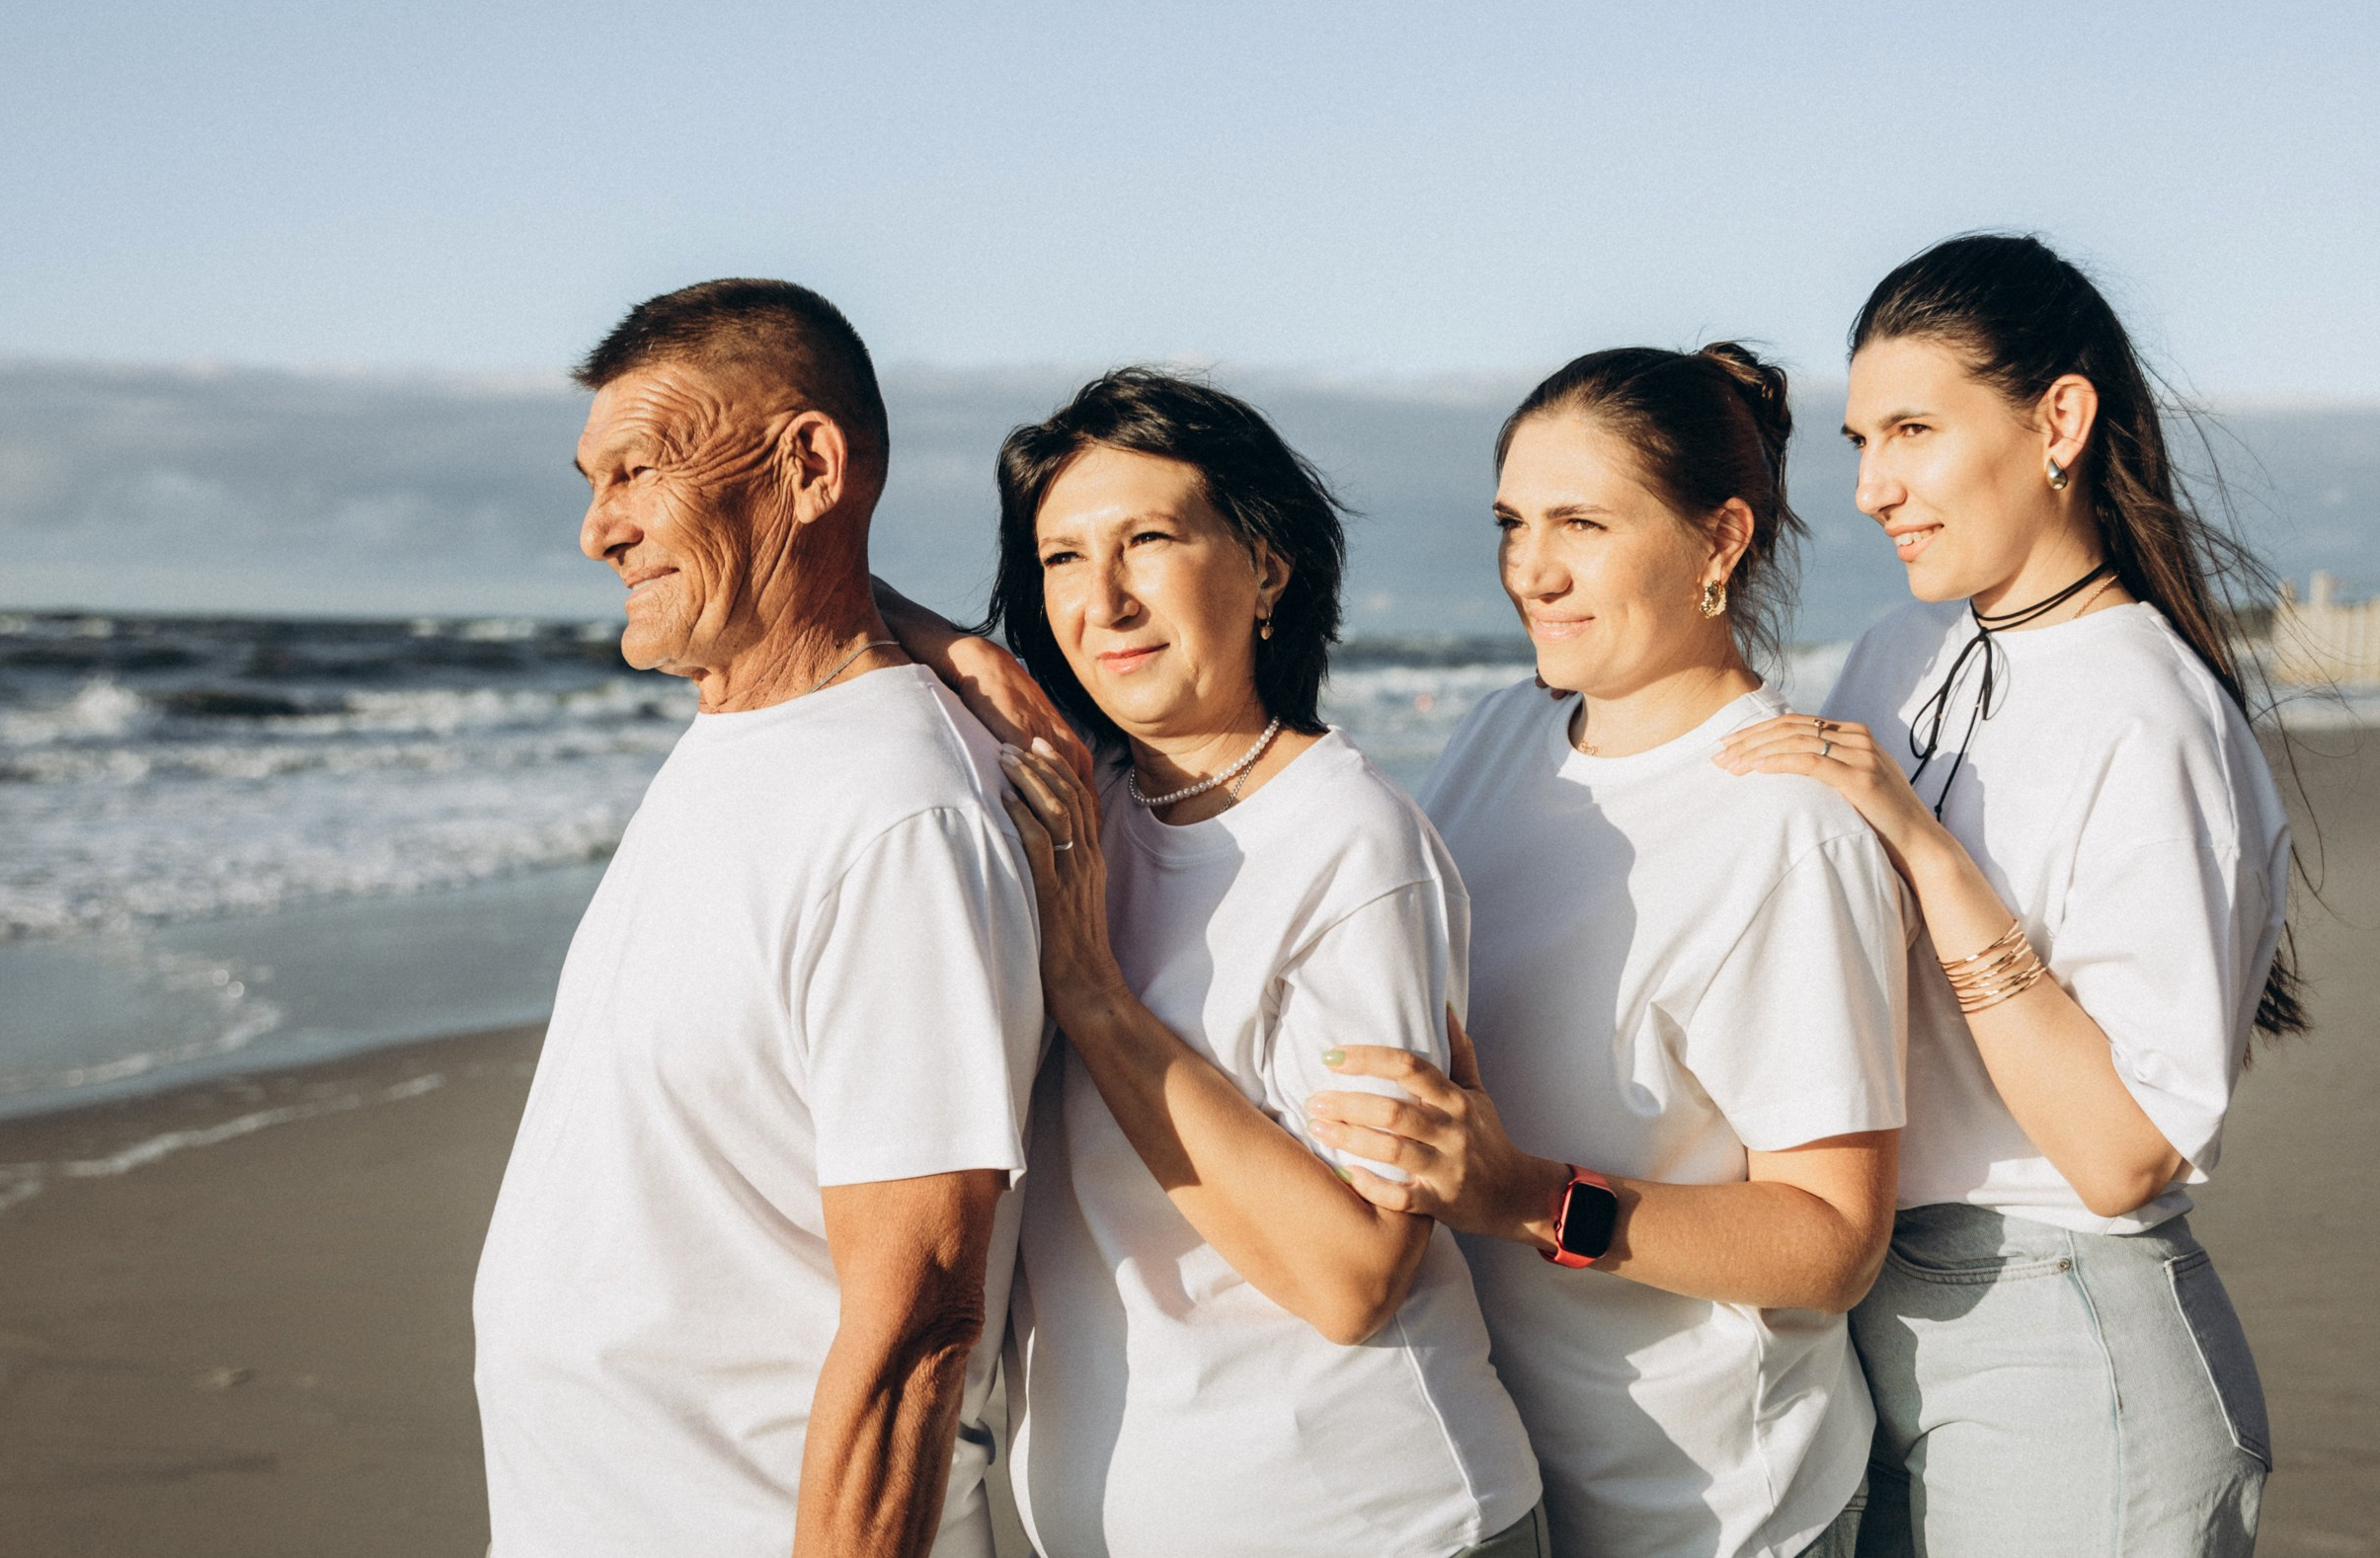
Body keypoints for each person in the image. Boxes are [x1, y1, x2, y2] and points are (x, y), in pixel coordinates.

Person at [1715, 234, 2291, 1556]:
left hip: (2065, 1329)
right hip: (1875, 1319)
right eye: (1859, 440)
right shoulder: (1894, 654)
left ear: (2060, 421)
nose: (1872, 487)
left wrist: (1928, 851)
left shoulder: (2152, 713)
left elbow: (2122, 1150)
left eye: (1913, 429)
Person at [471, 279, 1046, 1558]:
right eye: (590, 479)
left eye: (635, 472)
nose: (596, 530)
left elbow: (920, 1315)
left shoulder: (900, 814)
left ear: (806, 464)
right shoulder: (752, 729)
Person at [1311, 346, 1909, 1558]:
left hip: (1714, 1513)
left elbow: (1832, 1240)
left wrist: (1522, 1196)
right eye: (1513, 522)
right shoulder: (1497, 734)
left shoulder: (1781, 823)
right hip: (1501, 1484)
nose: (1531, 569)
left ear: (1719, 541)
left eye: (1580, 522)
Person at [971, 368, 1547, 1558]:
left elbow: (1351, 1276)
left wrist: (1095, 999)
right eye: (1061, 558)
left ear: (1267, 567)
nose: (1105, 600)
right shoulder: (1080, 802)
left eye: (1148, 541)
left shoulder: (1349, 844)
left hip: (1365, 1523)